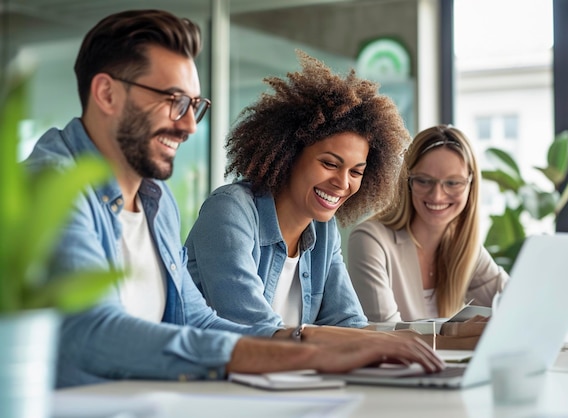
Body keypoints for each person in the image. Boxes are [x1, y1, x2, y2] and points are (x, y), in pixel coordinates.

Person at [23, 9, 444, 388]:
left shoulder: (156, 200)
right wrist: (310, 351)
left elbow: (199, 321)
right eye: (174, 102)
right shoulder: (50, 186)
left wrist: (318, 349)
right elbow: (96, 332)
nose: (189, 125)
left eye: (194, 106)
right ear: (107, 94)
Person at [185, 50, 409, 335]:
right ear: (289, 154)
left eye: (356, 172)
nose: (342, 183)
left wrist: (430, 339)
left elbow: (349, 324)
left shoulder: (323, 230)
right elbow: (253, 328)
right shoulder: (230, 211)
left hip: (285, 377)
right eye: (329, 163)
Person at [348, 124, 509, 323]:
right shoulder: (370, 240)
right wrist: (458, 333)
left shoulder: (464, 247)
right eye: (424, 181)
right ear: (408, 181)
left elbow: (516, 306)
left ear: (471, 185)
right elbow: (387, 333)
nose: (437, 195)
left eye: (452, 183)